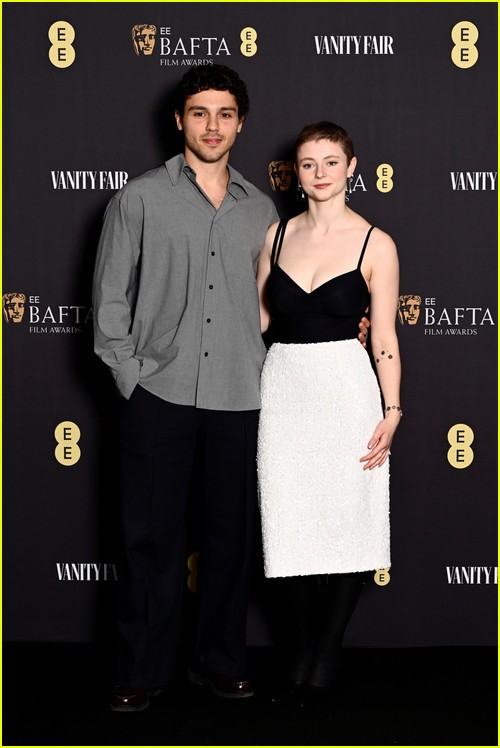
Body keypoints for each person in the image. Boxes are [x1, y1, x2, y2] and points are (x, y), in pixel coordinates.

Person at [93, 65, 280, 711]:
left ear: (241, 122)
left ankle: (221, 661)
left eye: (225, 113)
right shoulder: (140, 198)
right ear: (179, 121)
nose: (212, 125)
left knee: (231, 539)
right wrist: (132, 379)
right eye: (199, 113)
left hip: (240, 394)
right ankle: (143, 667)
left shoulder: (263, 209)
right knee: (151, 540)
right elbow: (110, 298)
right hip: (160, 394)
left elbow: (273, 303)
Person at [256, 121, 401, 705]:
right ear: (296, 173)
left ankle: (327, 650)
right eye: (308, 163)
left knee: (347, 517)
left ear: (351, 167)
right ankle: (301, 646)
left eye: (330, 162)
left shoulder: (376, 243)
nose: (318, 173)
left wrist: (392, 410)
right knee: (287, 518)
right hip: (284, 386)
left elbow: (385, 335)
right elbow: (257, 324)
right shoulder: (274, 235)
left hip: (346, 385)